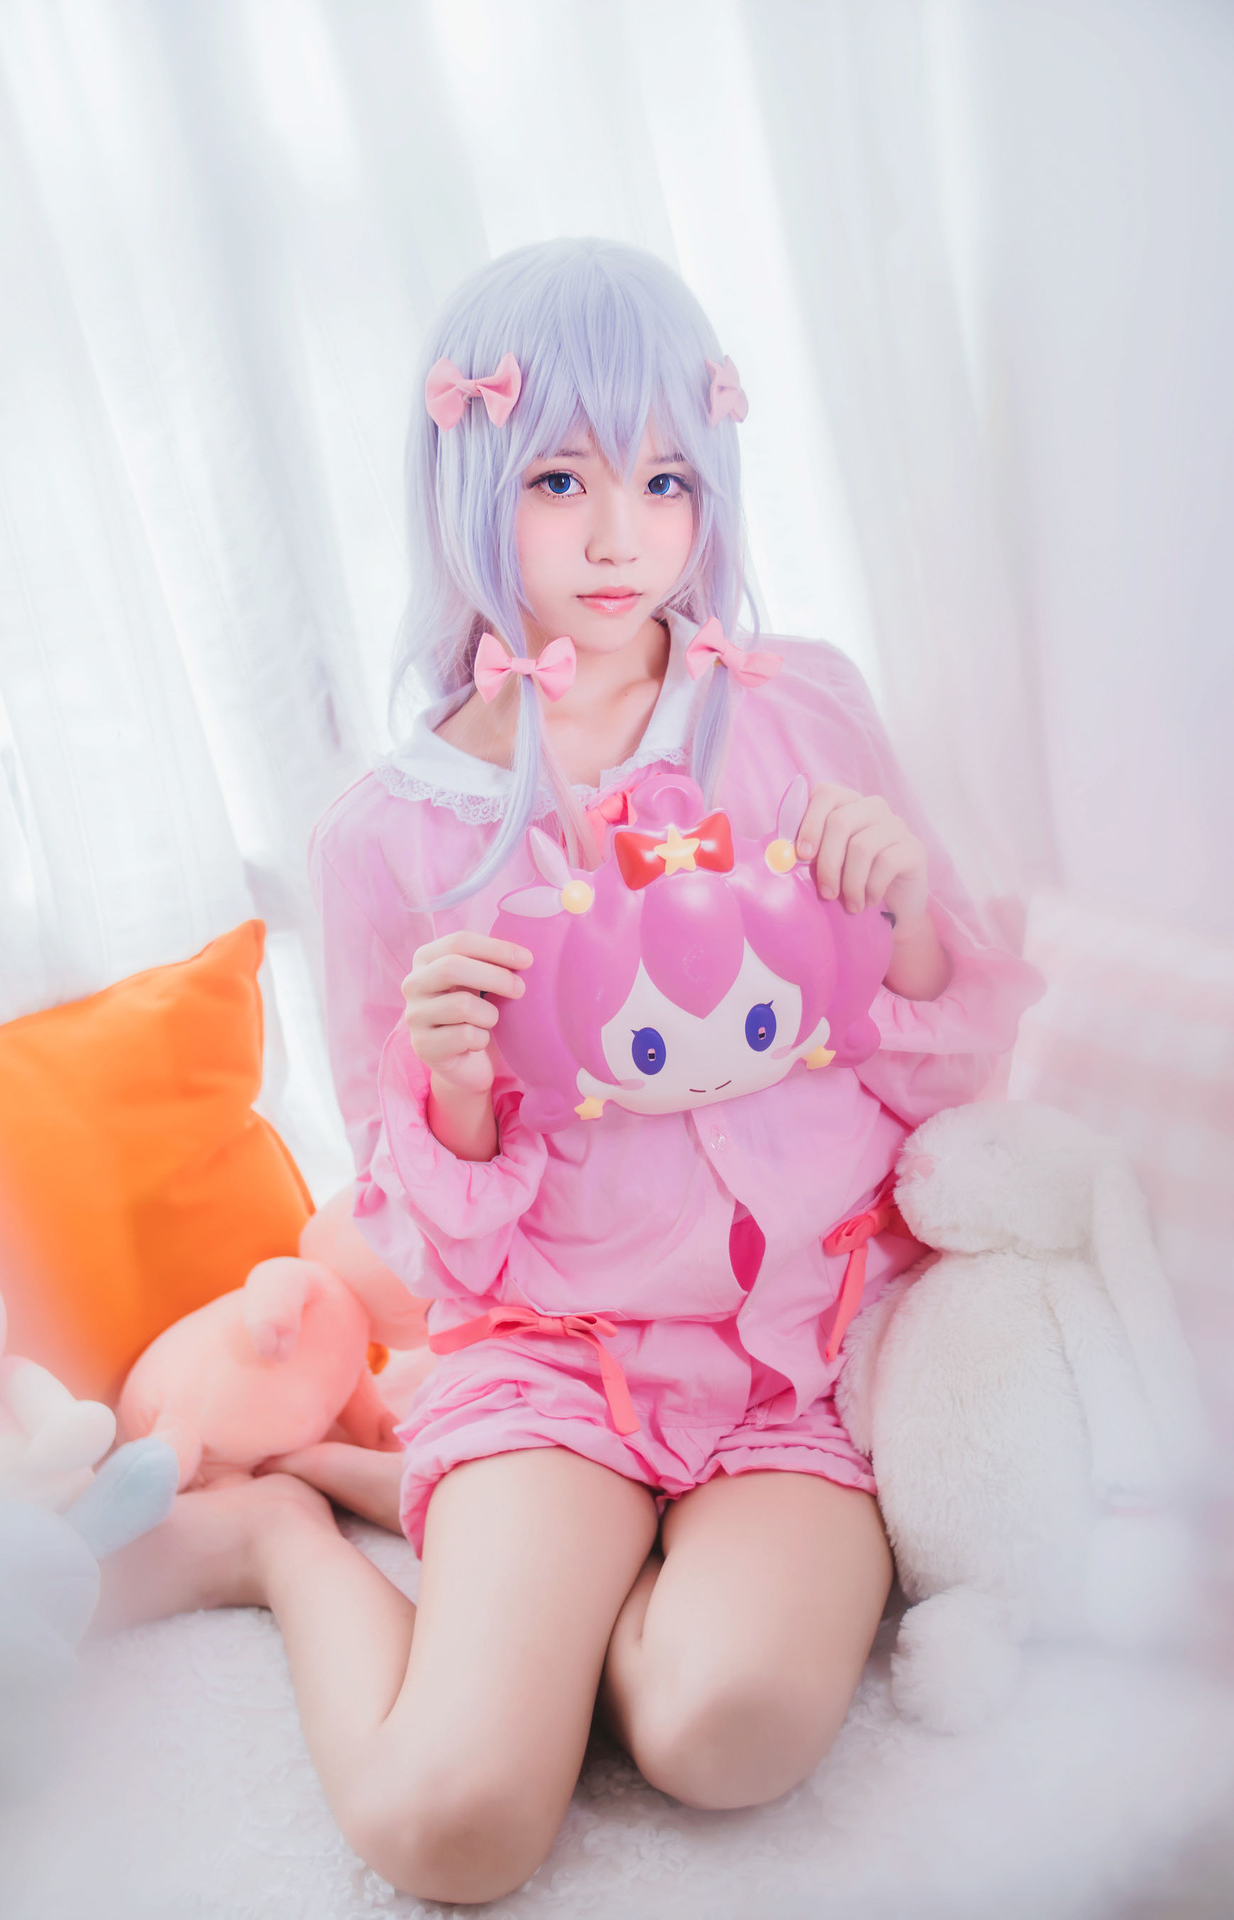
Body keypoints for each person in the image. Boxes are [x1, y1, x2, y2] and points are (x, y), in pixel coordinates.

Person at [97, 238, 1043, 1905]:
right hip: (556, 1361)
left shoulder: (802, 715)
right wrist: (457, 1089)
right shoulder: (390, 835)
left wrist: (899, 916)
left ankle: (521, 1582)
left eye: (666, 478)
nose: (622, 536)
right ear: (471, 484)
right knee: (449, 1828)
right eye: (561, 480)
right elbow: (423, 1237)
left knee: (728, 1734)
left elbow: (947, 1081)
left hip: (801, 1362)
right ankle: (285, 1541)